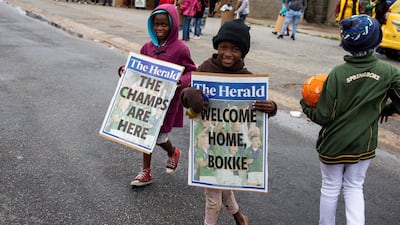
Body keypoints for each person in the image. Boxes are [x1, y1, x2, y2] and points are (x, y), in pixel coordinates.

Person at [300, 15, 400, 225]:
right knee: (355, 186)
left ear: (346, 43)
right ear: (376, 41)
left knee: (330, 186)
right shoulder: (389, 72)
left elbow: (323, 116)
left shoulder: (337, 74)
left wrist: (305, 106)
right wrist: (385, 108)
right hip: (363, 143)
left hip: (333, 144)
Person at [197, 19, 278, 225]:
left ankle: (238, 218)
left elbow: (257, 115)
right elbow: (187, 97)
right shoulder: (206, 68)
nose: (228, 53)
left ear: (243, 52)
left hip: (232, 148)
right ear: (217, 46)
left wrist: (272, 107)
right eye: (223, 47)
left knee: (223, 185)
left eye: (235, 49)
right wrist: (189, 95)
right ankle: (238, 218)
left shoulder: (248, 79)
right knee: (214, 194)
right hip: (210, 144)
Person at [118, 4, 196, 187]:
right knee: (145, 134)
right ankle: (146, 172)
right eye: (156, 24)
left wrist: (181, 81)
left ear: (173, 25)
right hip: (146, 101)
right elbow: (138, 68)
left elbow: (193, 72)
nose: (159, 28)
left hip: (167, 103)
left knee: (160, 137)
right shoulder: (147, 47)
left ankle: (173, 152)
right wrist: (124, 70)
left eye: (164, 25)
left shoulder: (181, 49)